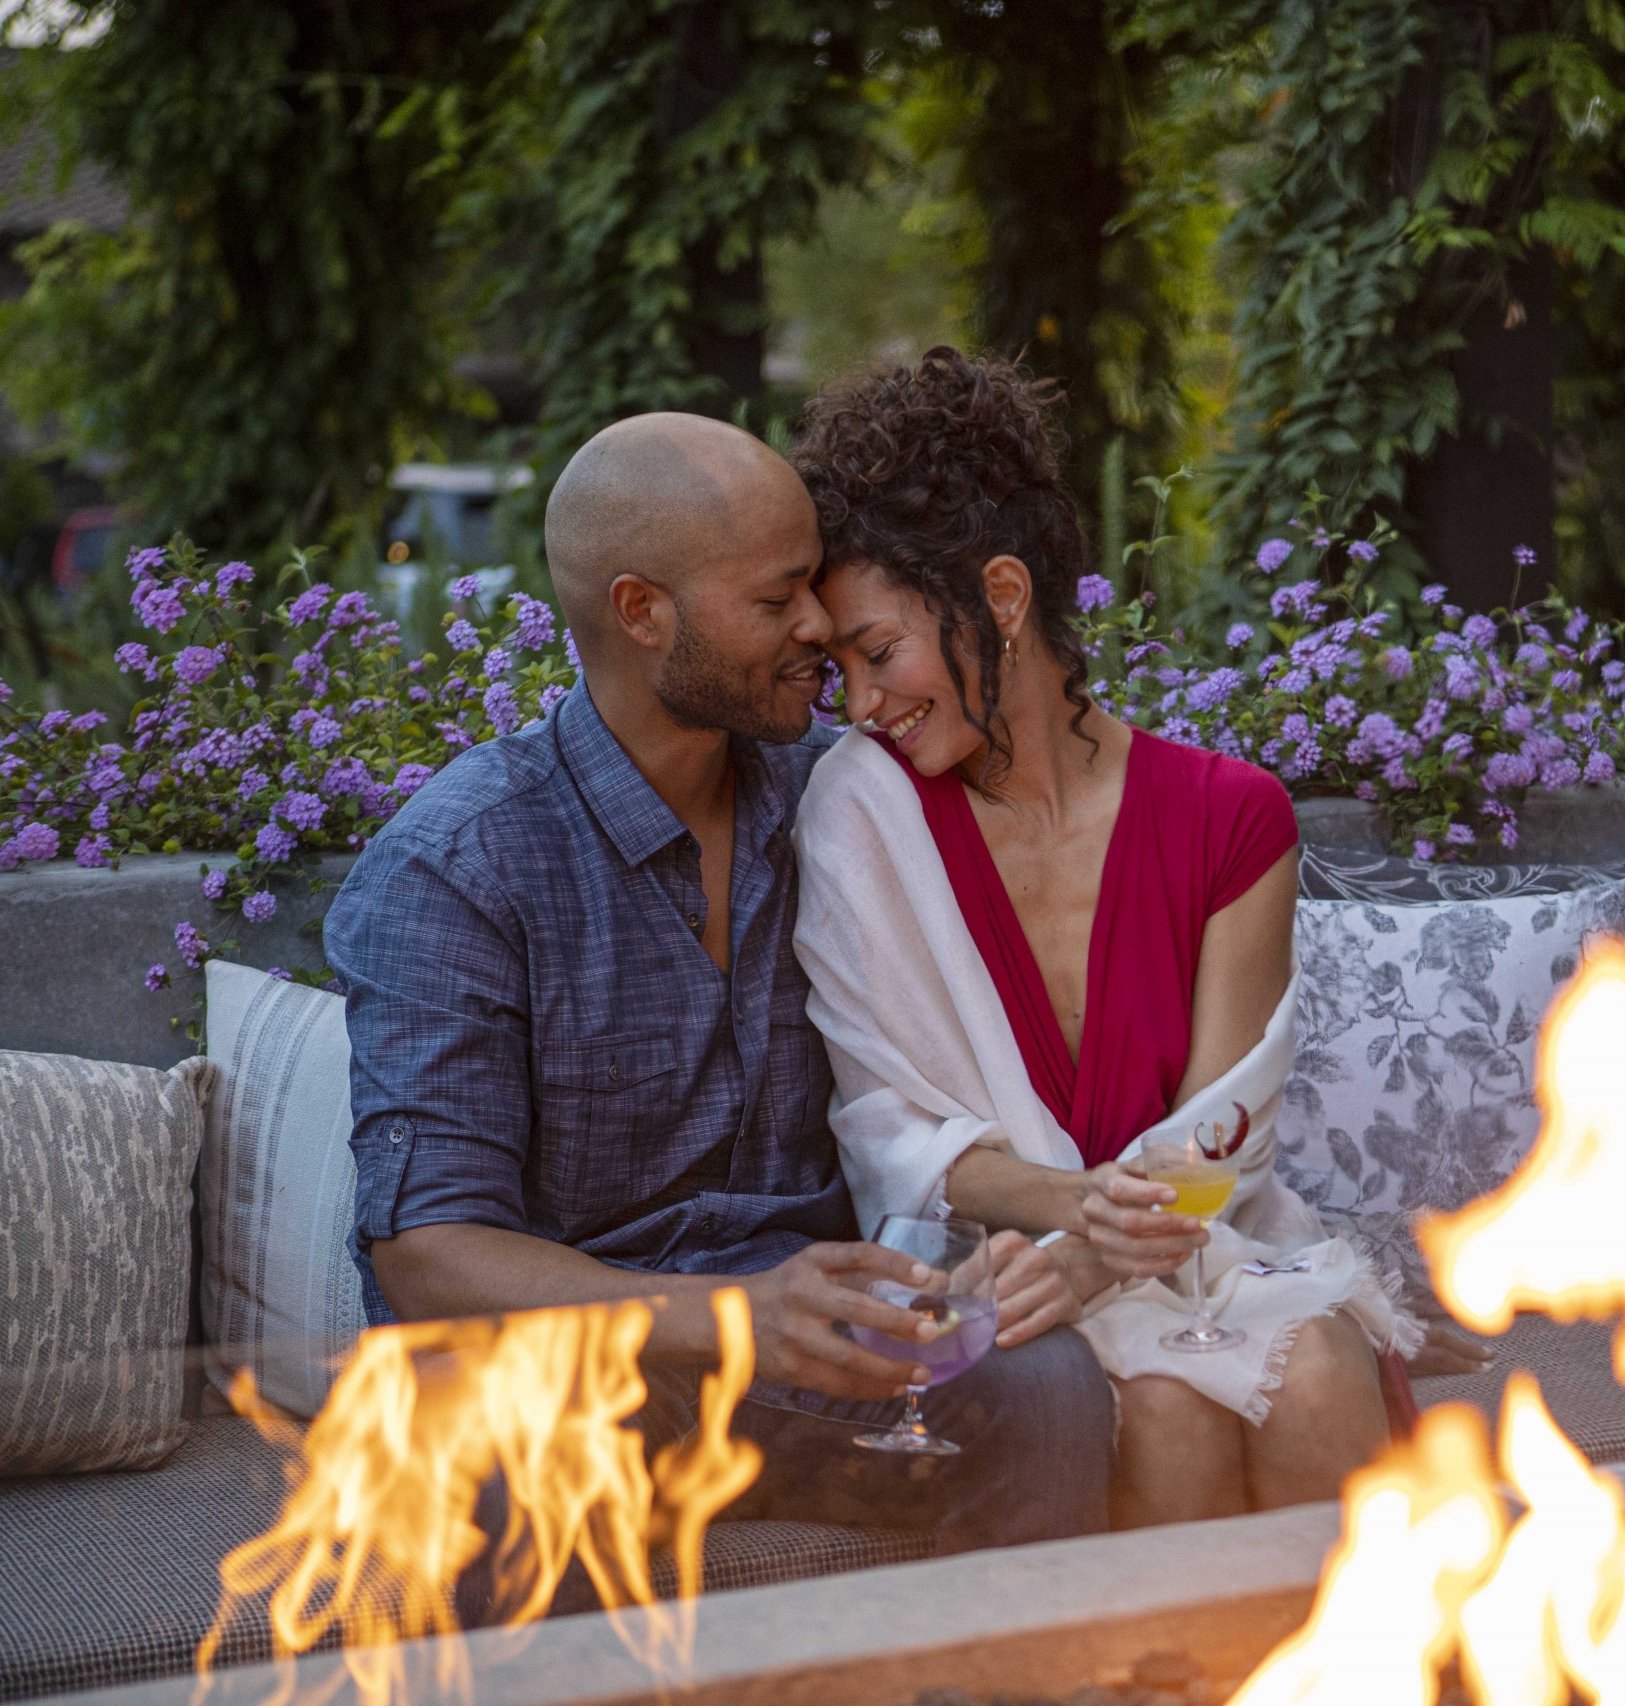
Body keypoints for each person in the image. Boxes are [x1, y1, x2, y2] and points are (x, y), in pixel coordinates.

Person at [327, 411, 1114, 1576]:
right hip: (578, 1373)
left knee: (1044, 1387)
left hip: (816, 1364)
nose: (818, 626)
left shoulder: (842, 800)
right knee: (487, 1449)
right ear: (642, 612)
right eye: (776, 598)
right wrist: (738, 1314)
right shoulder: (460, 866)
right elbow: (428, 1249)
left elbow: (1056, 813)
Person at [787, 349, 1461, 1530]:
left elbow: (1226, 1123)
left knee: (1313, 1379)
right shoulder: (860, 809)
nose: (860, 701)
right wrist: (1071, 1221)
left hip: (1208, 1244)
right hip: (1002, 1267)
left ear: (1002, 594)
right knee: (1163, 1409)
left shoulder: (1227, 815)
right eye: (834, 665)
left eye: (877, 650)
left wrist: (1111, 1247)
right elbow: (886, 1124)